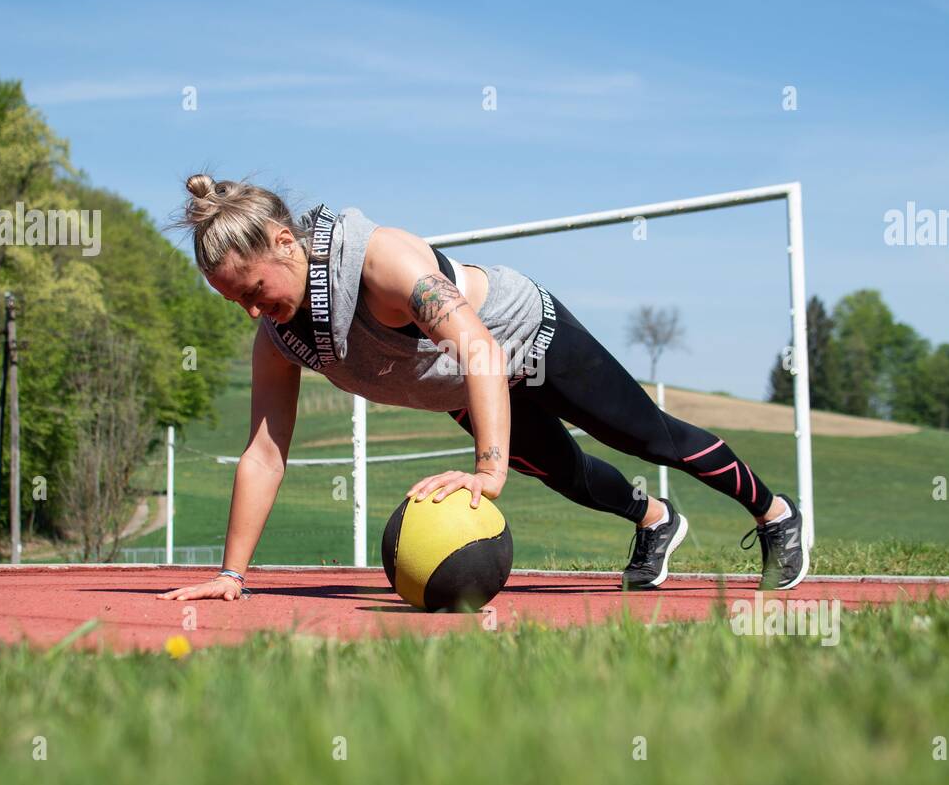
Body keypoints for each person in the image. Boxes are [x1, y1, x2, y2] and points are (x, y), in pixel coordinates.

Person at [159, 176, 808, 603]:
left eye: (251, 290)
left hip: (526, 337)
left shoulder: (382, 262)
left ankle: (775, 514)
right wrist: (230, 575)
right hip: (468, 389)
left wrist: (487, 472)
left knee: (647, 438)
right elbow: (265, 454)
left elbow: (480, 347)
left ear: (282, 242)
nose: (250, 310)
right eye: (233, 300)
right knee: (569, 475)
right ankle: (655, 520)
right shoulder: (280, 337)